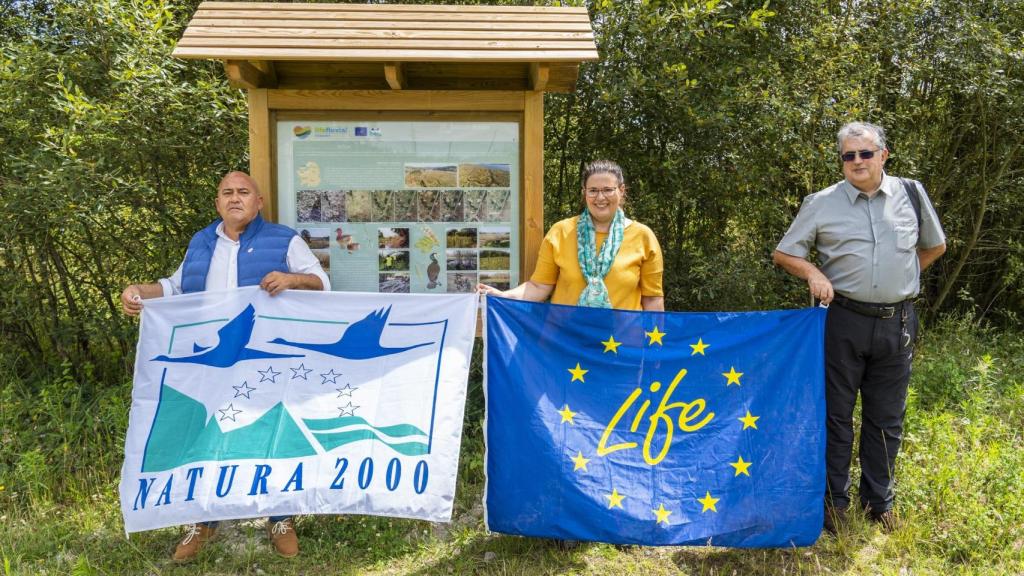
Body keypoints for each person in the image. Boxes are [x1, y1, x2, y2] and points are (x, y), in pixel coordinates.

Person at [121, 171, 329, 561]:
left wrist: (290, 278)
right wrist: (138, 292)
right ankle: (202, 519)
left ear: (258, 201)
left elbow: (322, 282)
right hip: (212, 365)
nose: (235, 198)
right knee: (205, 436)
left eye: (243, 192)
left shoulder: (283, 240)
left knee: (271, 432)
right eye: (227, 193)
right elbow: (175, 287)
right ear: (217, 202)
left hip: (259, 362)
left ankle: (279, 516)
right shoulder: (201, 242)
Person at [773, 122, 946, 533]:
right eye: (848, 156)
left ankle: (878, 503)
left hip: (897, 321)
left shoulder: (911, 193)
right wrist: (814, 274)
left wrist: (902, 279)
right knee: (835, 415)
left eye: (865, 154)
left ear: (883, 155)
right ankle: (833, 503)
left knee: (886, 417)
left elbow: (935, 246)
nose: (856, 162)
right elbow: (784, 253)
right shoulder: (821, 202)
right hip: (841, 320)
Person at [478, 159, 664, 311]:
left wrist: (654, 351)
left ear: (621, 191)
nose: (600, 198)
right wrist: (504, 297)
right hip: (567, 345)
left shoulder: (643, 237)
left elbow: (653, 300)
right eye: (593, 191)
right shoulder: (561, 232)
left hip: (621, 347)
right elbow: (539, 287)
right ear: (584, 193)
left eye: (608, 190)